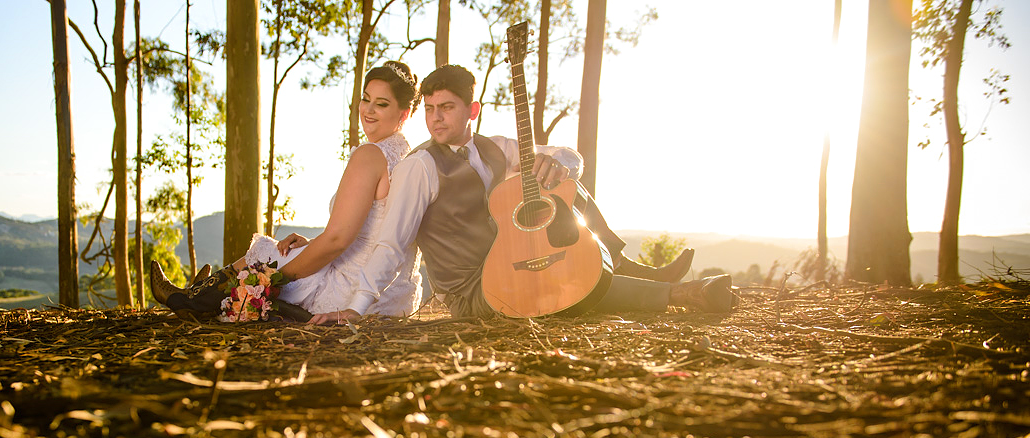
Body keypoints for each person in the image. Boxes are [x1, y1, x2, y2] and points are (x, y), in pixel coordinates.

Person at [310, 64, 732, 326]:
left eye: (448, 108)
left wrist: (561, 164)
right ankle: (682, 296)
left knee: (564, 182)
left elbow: (569, 155)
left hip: (515, 261)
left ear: (472, 110)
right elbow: (392, 241)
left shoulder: (495, 146)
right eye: (430, 109)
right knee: (560, 286)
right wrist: (357, 306)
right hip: (472, 289)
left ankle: (631, 267)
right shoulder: (420, 167)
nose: (436, 119)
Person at [150, 60, 423, 319]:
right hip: (390, 292)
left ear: (404, 113)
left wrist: (275, 278)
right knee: (286, 251)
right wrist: (312, 243)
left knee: (267, 255)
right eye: (366, 99)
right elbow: (366, 232)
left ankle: (189, 300)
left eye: (382, 104)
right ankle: (200, 293)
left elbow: (339, 240)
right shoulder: (405, 155)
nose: (368, 110)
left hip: (349, 289)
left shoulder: (369, 155)